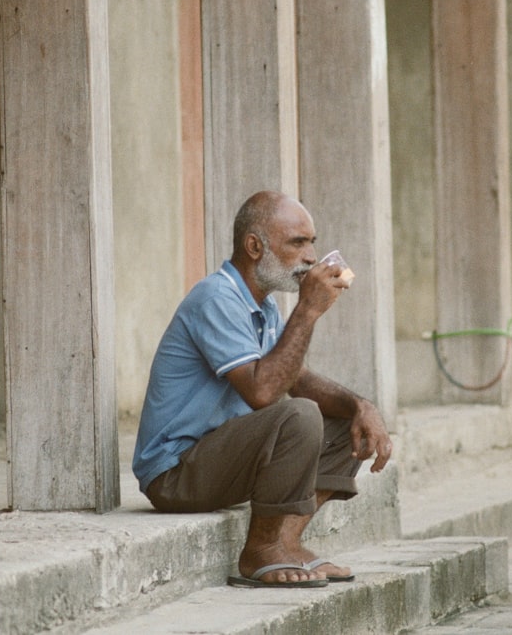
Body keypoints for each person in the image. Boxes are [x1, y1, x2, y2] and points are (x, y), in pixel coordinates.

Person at [132, 190, 393, 588]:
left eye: (313, 243)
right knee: (300, 414)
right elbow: (264, 393)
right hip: (175, 472)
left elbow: (297, 378)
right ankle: (260, 550)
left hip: (222, 460)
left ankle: (286, 541)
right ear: (255, 247)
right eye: (298, 243)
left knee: (343, 420)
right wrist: (308, 310)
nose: (311, 256)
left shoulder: (264, 306)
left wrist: (362, 406)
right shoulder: (216, 298)